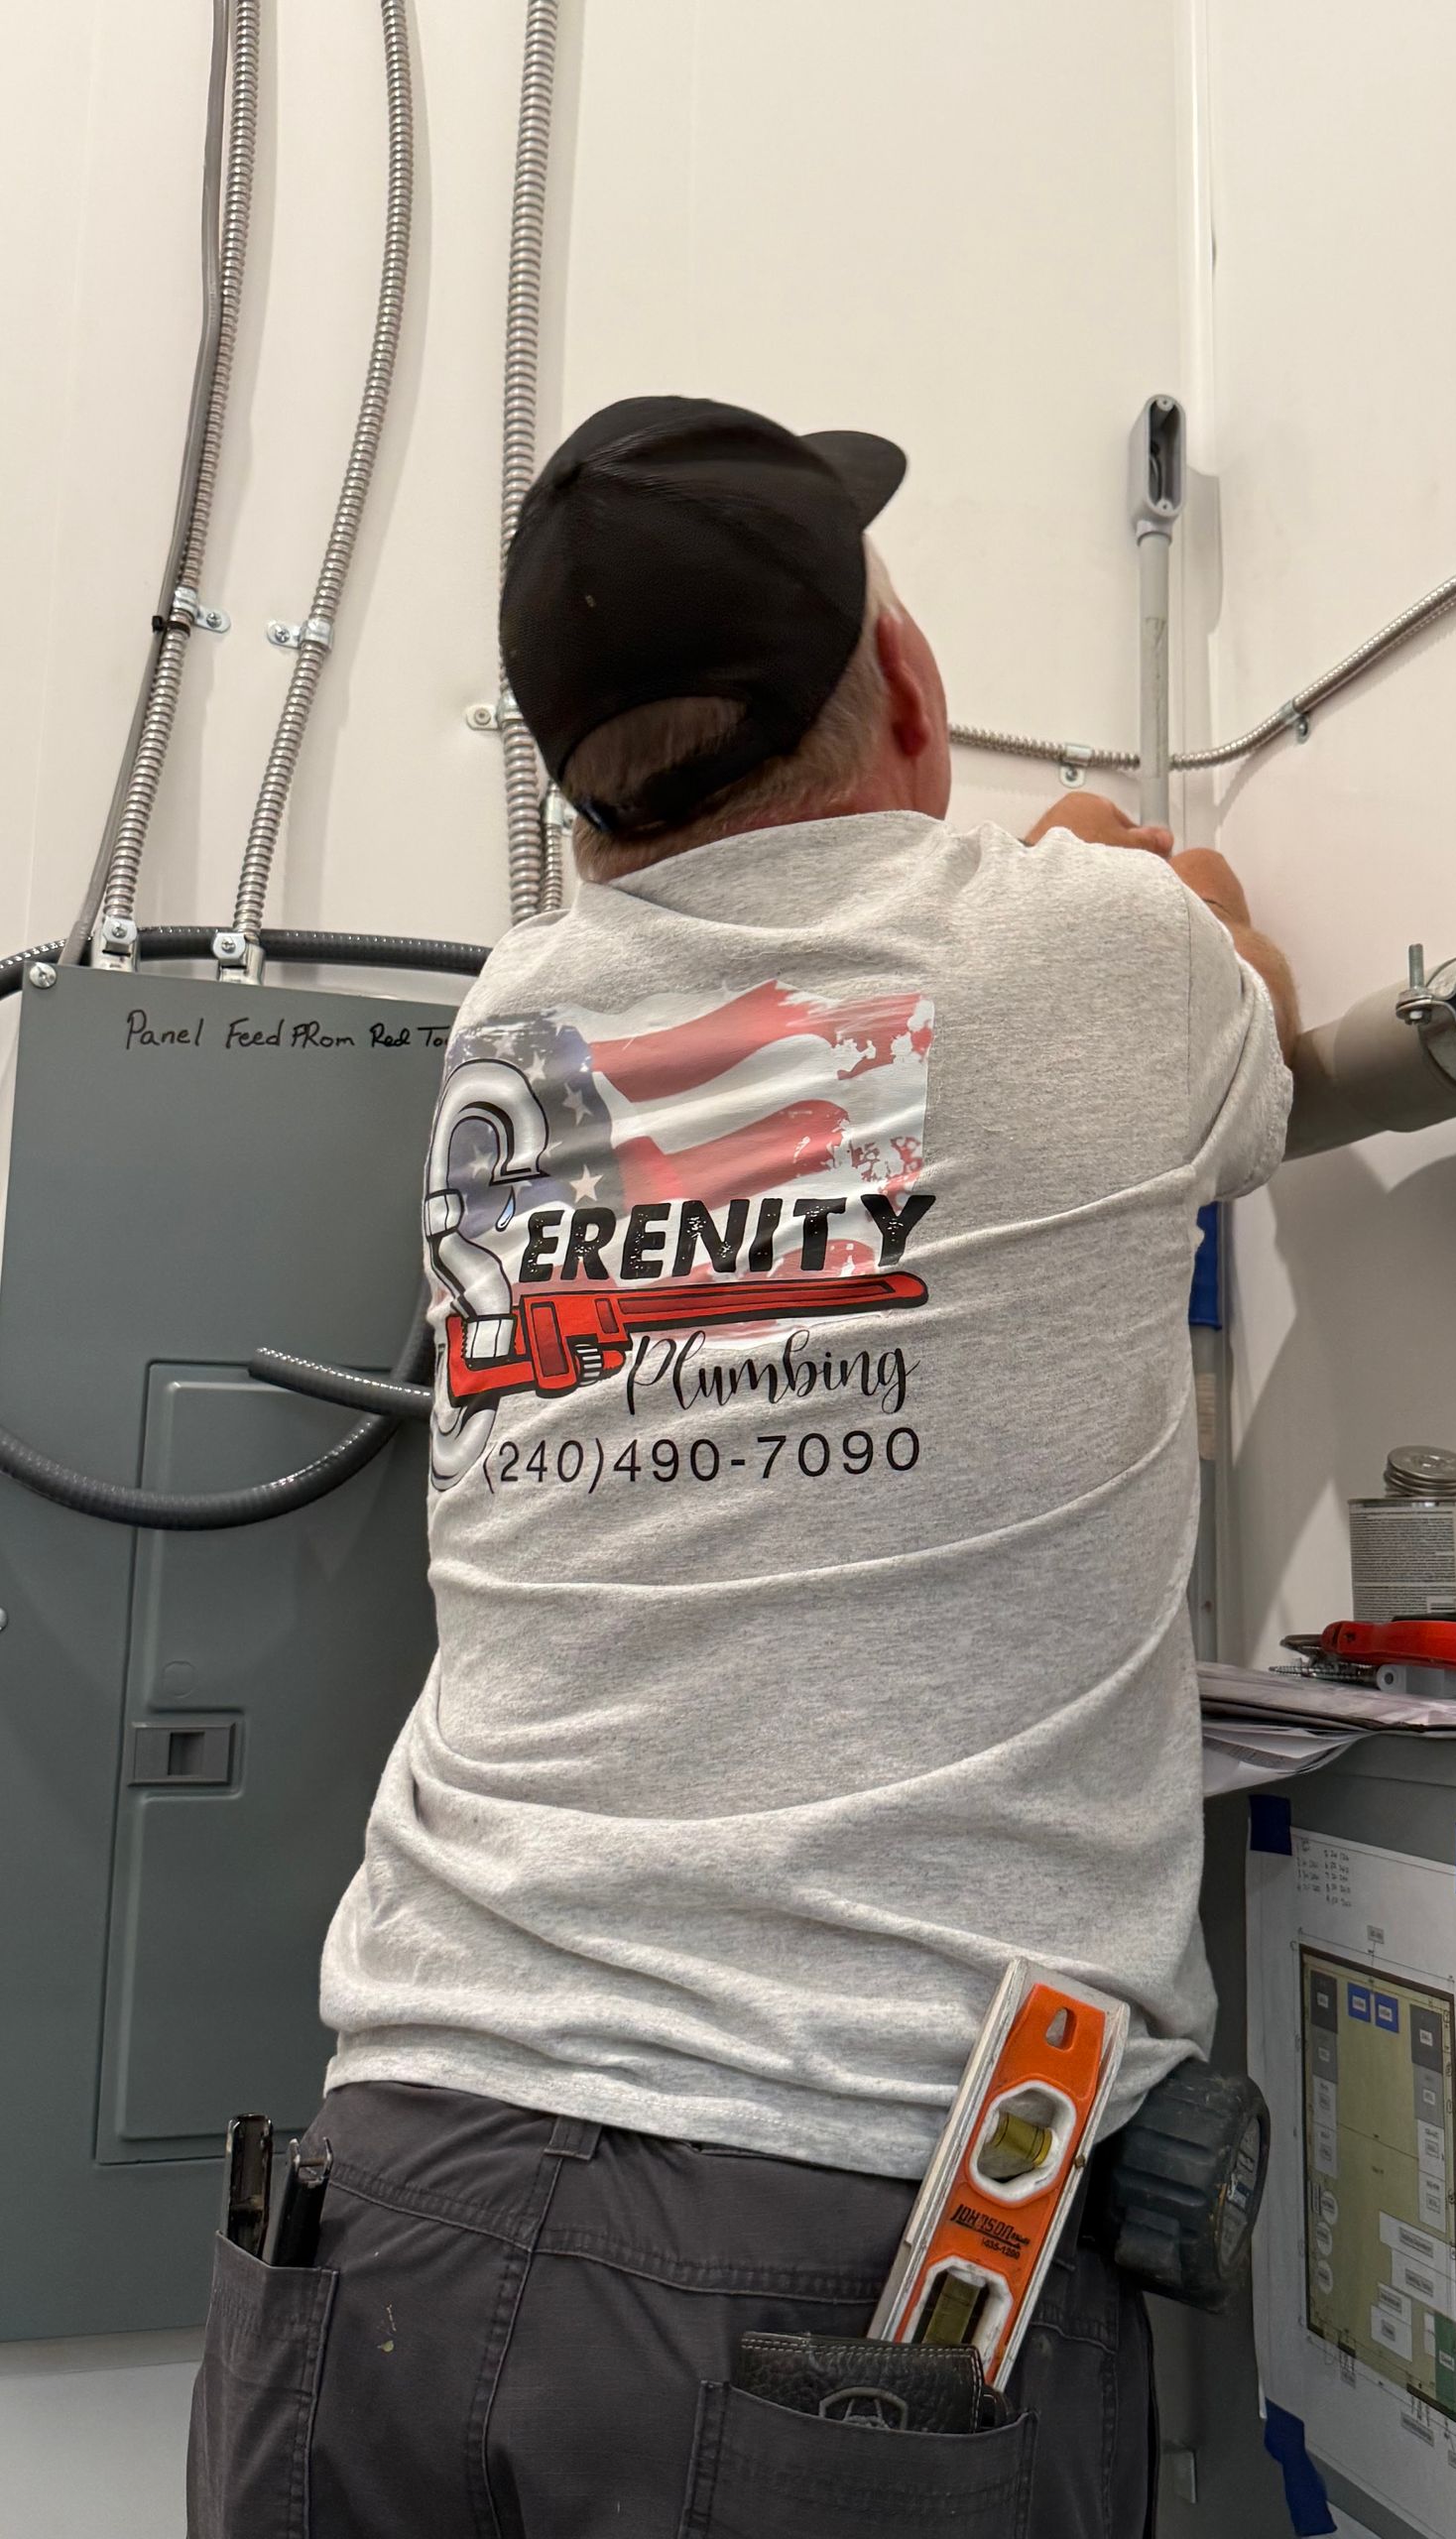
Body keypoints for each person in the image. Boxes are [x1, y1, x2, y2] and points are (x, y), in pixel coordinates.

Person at [188, 397, 1296, 2538]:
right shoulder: (1090, 952)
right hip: (835, 2269)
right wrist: (1114, 850)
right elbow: (1229, 959)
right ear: (906, 685)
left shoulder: (511, 1029)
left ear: (578, 789)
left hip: (391, 2194)